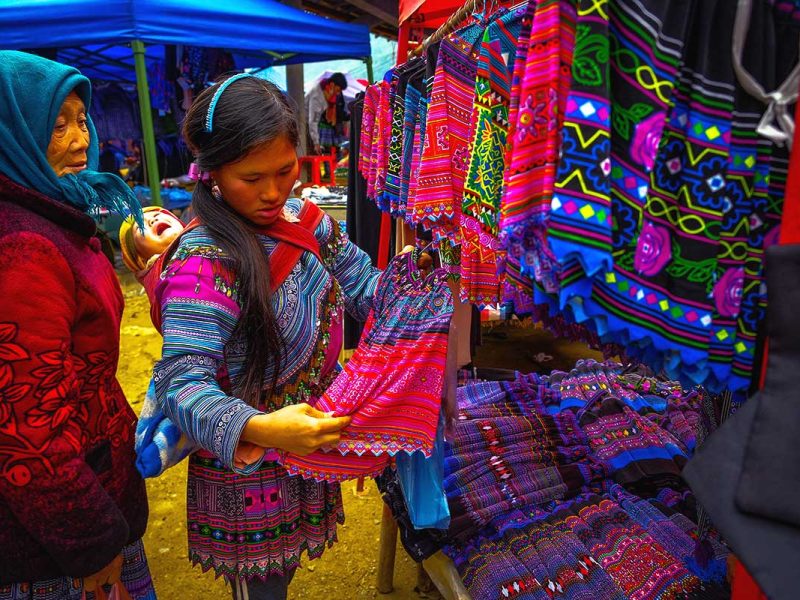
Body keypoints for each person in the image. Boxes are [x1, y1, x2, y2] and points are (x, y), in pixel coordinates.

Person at [151, 73, 382, 600]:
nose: (273, 192)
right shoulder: (203, 264)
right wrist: (265, 428)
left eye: (285, 170)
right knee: (261, 589)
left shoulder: (305, 221)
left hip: (303, 447)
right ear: (212, 171)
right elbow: (182, 383)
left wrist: (417, 283)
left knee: (282, 576)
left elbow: (364, 285)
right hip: (247, 467)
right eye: (251, 177)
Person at [0, 51, 155, 599]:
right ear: (13, 132)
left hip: (89, 491)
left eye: (81, 120)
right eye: (56, 125)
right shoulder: (23, 249)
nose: (79, 142)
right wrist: (90, 542)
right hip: (53, 546)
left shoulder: (54, 212)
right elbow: (27, 432)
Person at [305, 71, 349, 156]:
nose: (338, 93)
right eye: (338, 90)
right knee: (323, 155)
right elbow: (313, 121)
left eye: (340, 91)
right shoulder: (317, 96)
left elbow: (340, 111)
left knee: (336, 154)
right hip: (317, 130)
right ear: (332, 85)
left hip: (334, 130)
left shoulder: (334, 94)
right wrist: (316, 143)